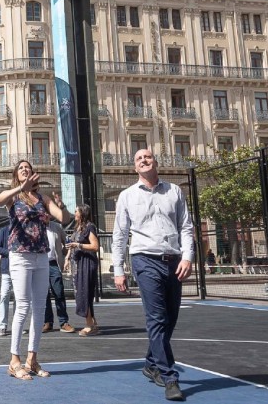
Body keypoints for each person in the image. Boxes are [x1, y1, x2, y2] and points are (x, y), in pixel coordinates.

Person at [112, 148, 194, 402]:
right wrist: (119, 269)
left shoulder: (175, 191)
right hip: (144, 260)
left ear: (155, 162)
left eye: (147, 157)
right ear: (135, 168)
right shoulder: (126, 196)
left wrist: (188, 256)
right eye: (138, 159)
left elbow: (186, 227)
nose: (143, 161)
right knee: (156, 317)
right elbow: (120, 236)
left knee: (170, 318)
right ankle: (170, 377)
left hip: (173, 260)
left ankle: (150, 362)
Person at [0, 160, 69, 381]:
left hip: (42, 254)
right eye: (21, 168)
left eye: (28, 168)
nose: (25, 170)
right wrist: (20, 188)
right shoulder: (13, 196)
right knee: (23, 306)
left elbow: (64, 218)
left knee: (39, 307)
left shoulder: (42, 198)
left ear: (33, 173)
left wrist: (61, 206)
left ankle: (32, 359)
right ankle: (14, 360)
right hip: (20, 255)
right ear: (17, 174)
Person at [64, 204, 100, 336]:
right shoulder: (77, 228)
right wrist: (68, 257)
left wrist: (78, 245)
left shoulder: (90, 227)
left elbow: (95, 246)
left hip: (86, 263)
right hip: (77, 264)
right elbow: (72, 245)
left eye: (76, 211)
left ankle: (89, 325)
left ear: (82, 213)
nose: (74, 213)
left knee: (84, 294)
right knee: (82, 293)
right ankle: (93, 322)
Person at [42, 200, 75, 334]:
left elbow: (66, 242)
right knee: (43, 295)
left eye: (47, 213)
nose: (45, 215)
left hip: (54, 264)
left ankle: (63, 322)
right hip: (40, 265)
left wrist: (65, 255)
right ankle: (47, 322)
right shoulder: (35, 227)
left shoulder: (56, 227)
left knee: (59, 293)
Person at [0, 222, 13, 337]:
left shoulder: (24, 231)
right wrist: (10, 253)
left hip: (21, 270)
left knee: (20, 299)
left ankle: (18, 325)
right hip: (6, 269)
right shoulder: (4, 230)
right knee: (4, 296)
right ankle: (2, 326)